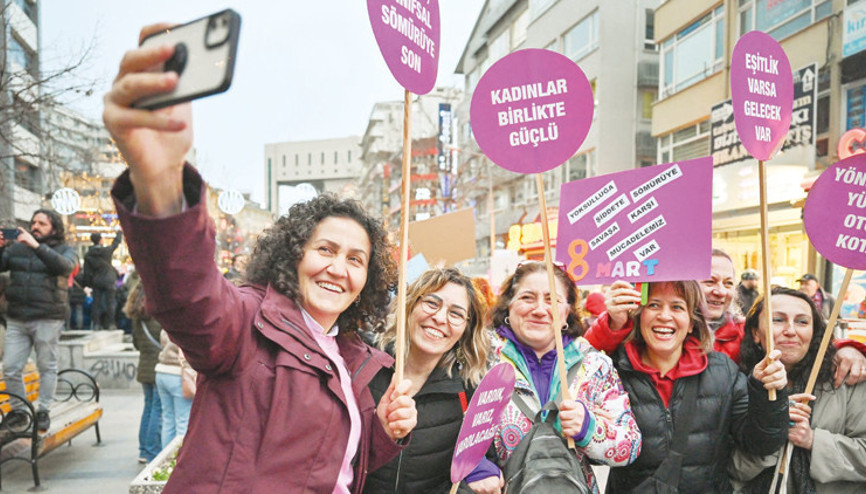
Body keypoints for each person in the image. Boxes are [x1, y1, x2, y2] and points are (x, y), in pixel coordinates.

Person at [103, 24, 417, 492]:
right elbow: (185, 294)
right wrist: (162, 181)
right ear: (293, 256)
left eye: (357, 259)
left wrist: (384, 432)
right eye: (325, 250)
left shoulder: (352, 355)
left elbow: (332, 460)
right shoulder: (246, 324)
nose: (338, 268)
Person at [601, 279, 790, 493]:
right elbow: (595, 451)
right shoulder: (613, 371)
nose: (664, 316)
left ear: (691, 322)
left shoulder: (723, 372)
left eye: (677, 307)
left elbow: (761, 443)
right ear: (639, 315)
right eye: (653, 305)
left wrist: (766, 395)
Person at [469, 261, 641, 494]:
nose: (539, 309)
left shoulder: (595, 367)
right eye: (527, 298)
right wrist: (476, 467)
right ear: (508, 307)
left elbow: (629, 446)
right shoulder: (481, 363)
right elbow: (451, 433)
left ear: (568, 312)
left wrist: (589, 428)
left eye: (552, 300)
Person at [587, 249, 866, 386]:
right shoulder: (658, 330)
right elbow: (588, 356)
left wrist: (847, 349)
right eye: (710, 281)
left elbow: (797, 346)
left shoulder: (746, 333)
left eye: (728, 283)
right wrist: (614, 322)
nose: (719, 291)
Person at [365, 268, 489, 493]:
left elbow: (477, 463)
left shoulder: (467, 391)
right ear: (411, 305)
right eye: (432, 303)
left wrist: (481, 474)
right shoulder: (364, 364)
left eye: (456, 314)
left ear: (466, 329)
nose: (440, 318)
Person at [732, 287, 866, 493]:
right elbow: (729, 469)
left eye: (802, 322)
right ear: (755, 333)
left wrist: (812, 440)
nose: (791, 330)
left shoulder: (846, 377)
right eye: (777, 319)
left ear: (814, 333)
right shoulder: (737, 383)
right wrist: (771, 428)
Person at [0, 210, 79, 432]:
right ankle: (19, 412)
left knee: (47, 365)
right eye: (33, 222)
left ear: (53, 228)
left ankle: (43, 410)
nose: (35, 226)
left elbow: (65, 267)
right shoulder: (16, 248)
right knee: (11, 367)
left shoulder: (65, 249)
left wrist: (36, 246)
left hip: (47, 317)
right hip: (17, 317)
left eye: (41, 223)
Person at [126, 276, 163, 463]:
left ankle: (143, 449)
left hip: (144, 368)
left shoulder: (137, 318)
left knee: (148, 407)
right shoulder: (157, 316)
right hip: (159, 367)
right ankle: (152, 451)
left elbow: (136, 343)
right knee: (158, 409)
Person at [155, 329, 192, 447]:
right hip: (179, 373)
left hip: (162, 371)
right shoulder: (188, 322)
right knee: (183, 420)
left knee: (168, 419)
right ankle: (179, 458)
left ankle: (166, 460)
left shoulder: (169, 320)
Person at [80, 231, 123, 329]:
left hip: (97, 281)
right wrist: (119, 233)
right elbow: (115, 244)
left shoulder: (88, 255)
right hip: (109, 279)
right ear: (100, 240)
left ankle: (96, 324)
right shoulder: (106, 251)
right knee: (110, 302)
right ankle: (111, 323)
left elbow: (87, 272)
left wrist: (86, 284)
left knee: (96, 303)